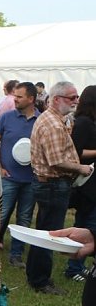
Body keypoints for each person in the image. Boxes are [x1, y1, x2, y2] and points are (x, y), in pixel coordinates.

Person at [27, 81, 92, 295]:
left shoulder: (54, 119)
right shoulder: (53, 124)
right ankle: (40, 281)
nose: (76, 101)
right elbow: (56, 161)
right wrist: (81, 168)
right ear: (56, 99)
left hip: (51, 184)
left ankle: (37, 276)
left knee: (45, 231)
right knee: (50, 234)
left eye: (77, 98)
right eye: (71, 98)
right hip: (53, 185)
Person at [0, 82, 39, 269]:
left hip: (31, 179)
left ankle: (16, 255)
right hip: (8, 178)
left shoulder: (40, 120)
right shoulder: (6, 117)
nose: (15, 99)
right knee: (0, 216)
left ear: (31, 99)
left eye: (19, 96)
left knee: (25, 218)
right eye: (15, 96)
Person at [65, 86, 96, 282]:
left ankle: (78, 265)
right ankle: (74, 267)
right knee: (86, 222)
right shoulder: (84, 122)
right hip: (86, 183)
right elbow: (76, 152)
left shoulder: (90, 121)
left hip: (91, 182)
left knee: (87, 221)